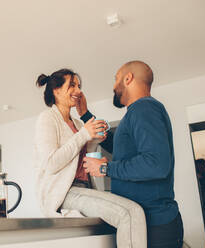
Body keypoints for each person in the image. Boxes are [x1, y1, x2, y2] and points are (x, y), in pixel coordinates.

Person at [34, 68, 147, 248]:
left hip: (85, 187)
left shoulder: (78, 123)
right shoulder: (47, 118)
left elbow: (81, 160)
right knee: (131, 212)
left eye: (79, 86)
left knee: (129, 214)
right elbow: (51, 164)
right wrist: (84, 135)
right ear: (56, 90)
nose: (78, 91)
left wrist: (94, 142)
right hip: (65, 192)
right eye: (72, 85)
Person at [78, 61, 183, 247]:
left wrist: (105, 167)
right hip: (146, 223)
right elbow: (114, 144)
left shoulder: (144, 108)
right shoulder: (138, 112)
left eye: (116, 78)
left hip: (155, 226)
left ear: (128, 78)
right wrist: (85, 114)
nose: (113, 86)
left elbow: (156, 164)